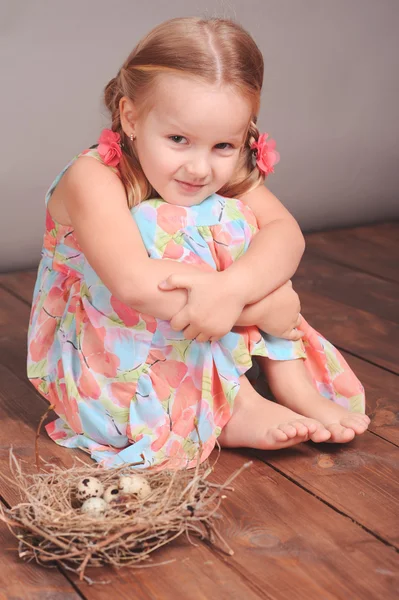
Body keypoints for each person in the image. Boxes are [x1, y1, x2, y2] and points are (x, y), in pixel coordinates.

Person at [27, 17, 369, 471]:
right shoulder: (92, 177)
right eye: (178, 140)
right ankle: (237, 404)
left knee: (241, 223)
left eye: (223, 146)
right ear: (130, 117)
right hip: (107, 365)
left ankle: (292, 385)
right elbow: (135, 285)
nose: (199, 167)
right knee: (161, 219)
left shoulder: (203, 172)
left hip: (188, 328)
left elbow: (287, 233)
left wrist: (236, 287)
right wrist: (262, 307)